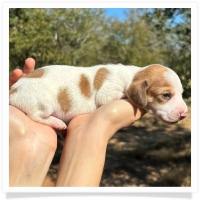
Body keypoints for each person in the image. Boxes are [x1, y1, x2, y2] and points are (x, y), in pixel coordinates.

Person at [9, 58, 146, 186]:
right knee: (39, 100)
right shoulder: (113, 79)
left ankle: (37, 113)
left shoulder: (113, 77)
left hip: (30, 94)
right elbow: (104, 98)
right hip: (30, 92)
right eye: (165, 95)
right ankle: (38, 115)